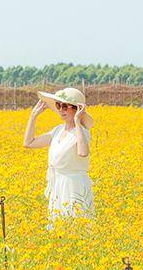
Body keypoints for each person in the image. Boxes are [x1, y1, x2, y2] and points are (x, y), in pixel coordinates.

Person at [24, 87, 95, 228]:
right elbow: (29, 143)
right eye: (58, 105)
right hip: (59, 185)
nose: (61, 110)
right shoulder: (57, 130)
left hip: (75, 186)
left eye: (65, 106)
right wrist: (33, 117)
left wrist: (77, 120)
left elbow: (82, 152)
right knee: (59, 229)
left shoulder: (82, 132)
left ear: (77, 109)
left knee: (76, 226)